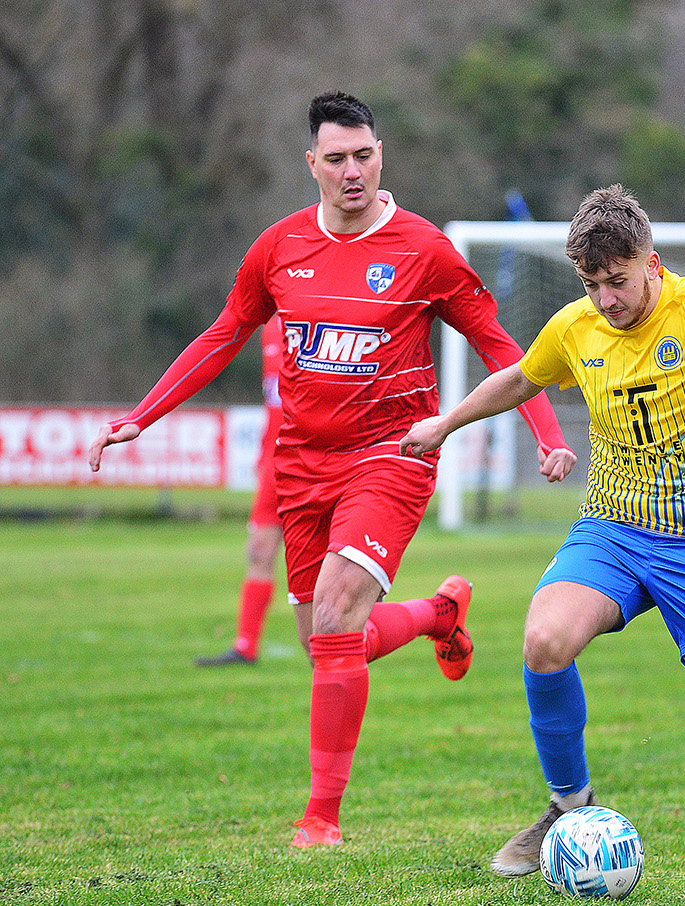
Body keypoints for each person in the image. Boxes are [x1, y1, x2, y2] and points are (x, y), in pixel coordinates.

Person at [88, 91, 575, 848]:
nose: (354, 171)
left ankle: (322, 818)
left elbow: (499, 343)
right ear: (312, 164)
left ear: (381, 156)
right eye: (338, 159)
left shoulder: (424, 250)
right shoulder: (278, 247)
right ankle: (437, 615)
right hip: (301, 463)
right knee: (328, 637)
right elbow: (223, 335)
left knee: (336, 612)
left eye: (366, 156)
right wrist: (142, 415)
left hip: (394, 452)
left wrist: (543, 431)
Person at [399, 184, 685, 876]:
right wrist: (445, 422)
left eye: (617, 281)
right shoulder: (575, 327)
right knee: (544, 638)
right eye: (591, 284)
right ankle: (568, 802)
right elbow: (520, 380)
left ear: (653, 261)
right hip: (615, 530)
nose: (605, 300)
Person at [197, 314, 287, 667]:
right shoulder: (270, 325)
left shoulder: (319, 309)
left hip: (313, 460)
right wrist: (265, 453)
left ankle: (358, 639)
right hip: (274, 463)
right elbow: (274, 400)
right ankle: (245, 647)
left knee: (331, 565)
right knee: (259, 549)